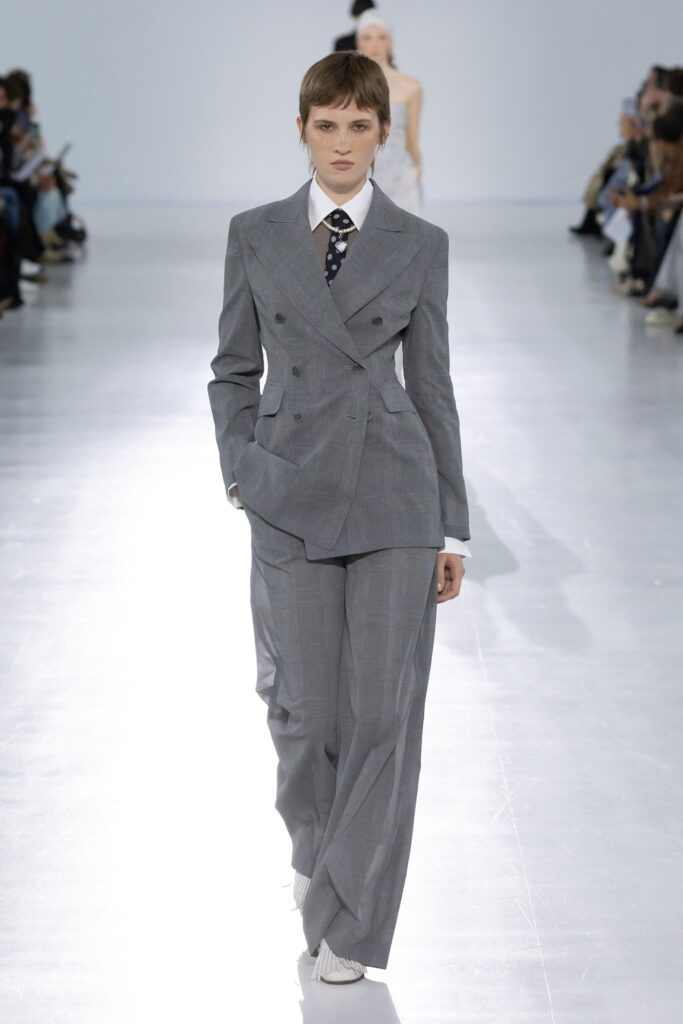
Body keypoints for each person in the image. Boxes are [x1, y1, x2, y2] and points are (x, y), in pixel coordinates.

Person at [207, 50, 471, 985]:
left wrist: (451, 524)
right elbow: (232, 367)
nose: (344, 143)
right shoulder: (253, 233)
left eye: (361, 126)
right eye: (328, 126)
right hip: (288, 488)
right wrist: (242, 471)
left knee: (381, 715)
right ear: (302, 130)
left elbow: (430, 383)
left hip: (394, 489)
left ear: (381, 134)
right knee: (302, 709)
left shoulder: (419, 243)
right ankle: (316, 855)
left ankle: (348, 922)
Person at [355, 9, 423, 215]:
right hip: (360, 176)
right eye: (368, 37)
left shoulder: (411, 87)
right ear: (359, 42)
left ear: (390, 41)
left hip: (401, 177)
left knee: (405, 232)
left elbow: (412, 140)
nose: (374, 44)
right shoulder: (347, 87)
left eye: (381, 37)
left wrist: (418, 169)